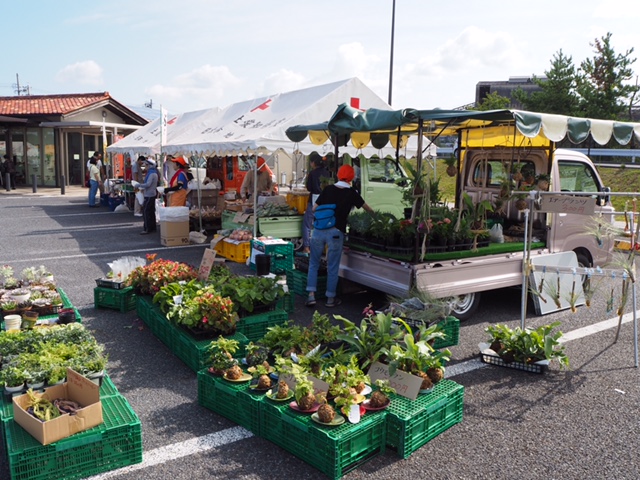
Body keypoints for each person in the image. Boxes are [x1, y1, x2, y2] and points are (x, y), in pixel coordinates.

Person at [306, 164, 374, 308]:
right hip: (336, 232)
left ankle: (311, 296)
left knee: (313, 263)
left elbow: (314, 208)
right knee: (332, 266)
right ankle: (330, 299)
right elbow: (367, 208)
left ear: (338, 175)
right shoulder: (351, 193)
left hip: (318, 231)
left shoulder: (328, 189)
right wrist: (377, 217)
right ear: (351, 178)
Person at [301, 153, 331, 254]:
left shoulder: (312, 173)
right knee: (322, 223)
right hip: (325, 200)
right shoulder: (327, 173)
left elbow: (309, 188)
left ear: (313, 163)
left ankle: (307, 247)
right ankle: (323, 247)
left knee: (307, 224)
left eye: (311, 162)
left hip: (313, 201)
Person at [132, 158, 159, 235]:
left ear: (150, 165)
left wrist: (138, 185)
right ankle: (152, 227)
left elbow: (148, 184)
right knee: (150, 212)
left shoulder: (152, 174)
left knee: (146, 211)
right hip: (151, 193)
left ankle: (147, 228)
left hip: (149, 194)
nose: (145, 166)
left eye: (146, 165)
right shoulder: (153, 173)